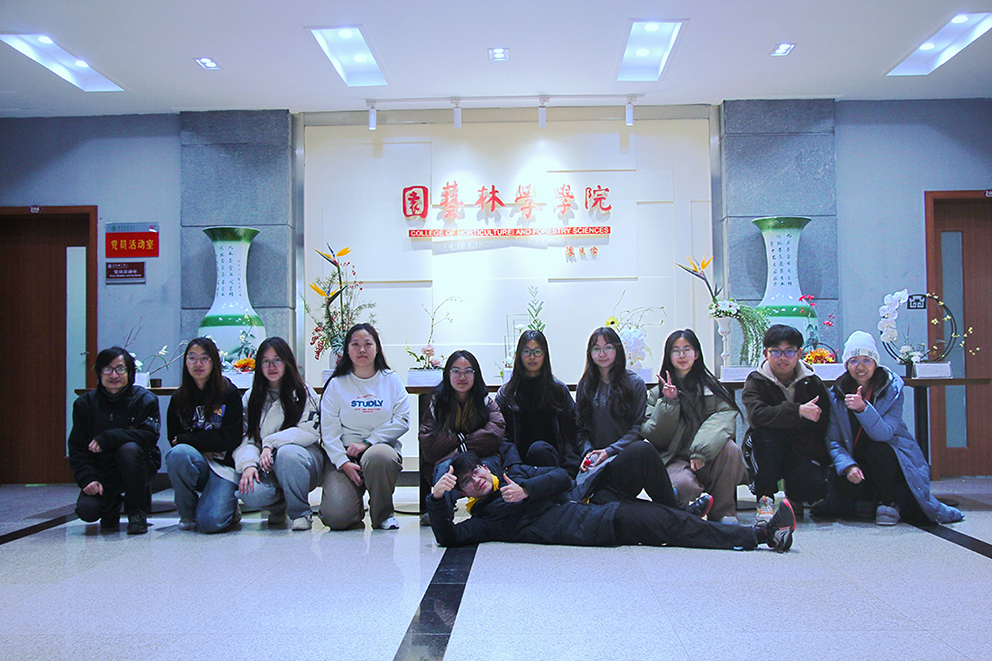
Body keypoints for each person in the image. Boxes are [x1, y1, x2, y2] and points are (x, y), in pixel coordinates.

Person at [426, 447, 796, 552]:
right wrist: (437, 497)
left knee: (642, 454)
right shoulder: (485, 519)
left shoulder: (512, 474)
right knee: (670, 525)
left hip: (594, 496)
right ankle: (761, 535)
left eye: (476, 471)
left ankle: (685, 512)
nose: (476, 480)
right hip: (597, 522)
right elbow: (449, 537)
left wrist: (526, 490)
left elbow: (560, 477)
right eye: (467, 482)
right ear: (462, 492)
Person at [822, 331, 963, 526]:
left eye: (866, 360)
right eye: (854, 361)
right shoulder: (837, 394)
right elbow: (833, 440)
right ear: (846, 365)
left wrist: (863, 409)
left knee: (879, 451)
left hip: (890, 458)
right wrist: (847, 466)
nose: (860, 367)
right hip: (857, 459)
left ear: (875, 363)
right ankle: (866, 500)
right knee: (842, 483)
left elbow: (884, 434)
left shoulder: (892, 389)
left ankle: (887, 503)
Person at [641, 329, 747, 524]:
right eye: (675, 351)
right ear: (668, 356)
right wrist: (669, 403)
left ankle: (724, 513)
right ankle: (684, 518)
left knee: (731, 450)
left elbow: (725, 417)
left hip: (707, 455)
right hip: (674, 459)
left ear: (696, 354)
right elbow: (654, 435)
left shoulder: (712, 388)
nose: (682, 356)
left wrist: (701, 450)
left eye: (687, 350)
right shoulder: (657, 393)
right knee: (681, 486)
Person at [319, 324, 410, 530]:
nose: (362, 349)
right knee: (337, 518)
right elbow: (329, 432)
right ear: (347, 350)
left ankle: (383, 515)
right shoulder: (336, 384)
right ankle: (353, 507)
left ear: (377, 348)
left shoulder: (391, 380)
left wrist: (369, 442)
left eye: (368, 344)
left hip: (380, 449)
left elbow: (402, 420)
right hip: (345, 455)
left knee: (378, 456)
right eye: (355, 344)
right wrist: (343, 462)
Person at [741, 324, 831, 521]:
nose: (782, 358)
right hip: (766, 447)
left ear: (799, 353)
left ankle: (795, 496)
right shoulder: (756, 380)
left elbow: (822, 422)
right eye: (776, 351)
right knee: (764, 438)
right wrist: (797, 411)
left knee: (814, 486)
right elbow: (757, 416)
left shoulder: (812, 382)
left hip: (801, 447)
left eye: (789, 351)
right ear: (765, 353)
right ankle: (764, 499)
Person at [67, 347, 161, 535]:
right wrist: (88, 478)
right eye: (107, 369)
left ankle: (136, 512)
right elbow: (77, 448)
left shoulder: (145, 400)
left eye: (120, 369)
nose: (114, 375)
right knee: (87, 511)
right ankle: (111, 504)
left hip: (139, 466)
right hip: (101, 469)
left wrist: (109, 437)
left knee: (130, 449)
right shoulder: (84, 404)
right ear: (99, 373)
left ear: (130, 373)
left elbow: (149, 436)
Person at [235, 337, 323, 531]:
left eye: (277, 360)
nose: (271, 367)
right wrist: (249, 464)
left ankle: (300, 513)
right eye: (265, 361)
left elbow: (309, 432)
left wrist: (270, 443)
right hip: (266, 463)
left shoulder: (304, 392)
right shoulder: (251, 397)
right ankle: (278, 506)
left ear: (287, 362)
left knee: (287, 454)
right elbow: (247, 438)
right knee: (249, 490)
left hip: (303, 460)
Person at [165, 337, 243, 533]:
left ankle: (228, 507)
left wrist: (191, 439)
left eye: (204, 358)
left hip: (223, 466)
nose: (197, 364)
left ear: (214, 361)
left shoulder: (229, 393)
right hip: (196, 462)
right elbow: (174, 440)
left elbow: (231, 438)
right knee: (178, 454)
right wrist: (204, 443)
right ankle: (187, 514)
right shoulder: (179, 398)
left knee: (211, 523)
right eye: (192, 357)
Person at [419, 350, 506, 513]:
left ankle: (491, 514)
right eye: (456, 371)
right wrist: (463, 441)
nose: (462, 377)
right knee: (446, 471)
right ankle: (441, 515)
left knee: (487, 468)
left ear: (476, 375)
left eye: (468, 371)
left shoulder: (485, 402)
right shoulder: (436, 404)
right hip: (448, 460)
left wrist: (460, 445)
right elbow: (429, 444)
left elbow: (495, 434)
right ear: (447, 374)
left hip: (482, 457)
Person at [495, 330, 579, 477]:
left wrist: (570, 469)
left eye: (537, 351)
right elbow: (502, 436)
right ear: (519, 355)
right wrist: (514, 465)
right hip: (519, 468)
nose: (532, 357)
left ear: (545, 354)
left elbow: (571, 432)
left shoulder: (559, 391)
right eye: (526, 351)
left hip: (554, 465)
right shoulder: (507, 393)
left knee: (539, 449)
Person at [574, 326, 647, 479]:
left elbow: (639, 428)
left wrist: (609, 451)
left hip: (625, 456)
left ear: (617, 350)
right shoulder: (585, 385)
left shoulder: (635, 383)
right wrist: (589, 454)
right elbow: (580, 429)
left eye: (608, 348)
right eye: (596, 349)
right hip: (594, 460)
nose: (602, 354)